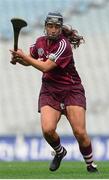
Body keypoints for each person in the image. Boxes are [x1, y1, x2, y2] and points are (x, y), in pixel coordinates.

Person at [10, 12, 98, 173]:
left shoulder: (63, 45)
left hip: (71, 90)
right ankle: (60, 152)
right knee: (48, 130)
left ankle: (90, 164)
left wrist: (24, 58)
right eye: (50, 26)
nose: (53, 29)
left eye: (56, 27)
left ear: (60, 28)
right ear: (45, 27)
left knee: (79, 132)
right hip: (49, 91)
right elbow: (31, 61)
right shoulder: (39, 42)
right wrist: (19, 58)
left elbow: (45, 67)